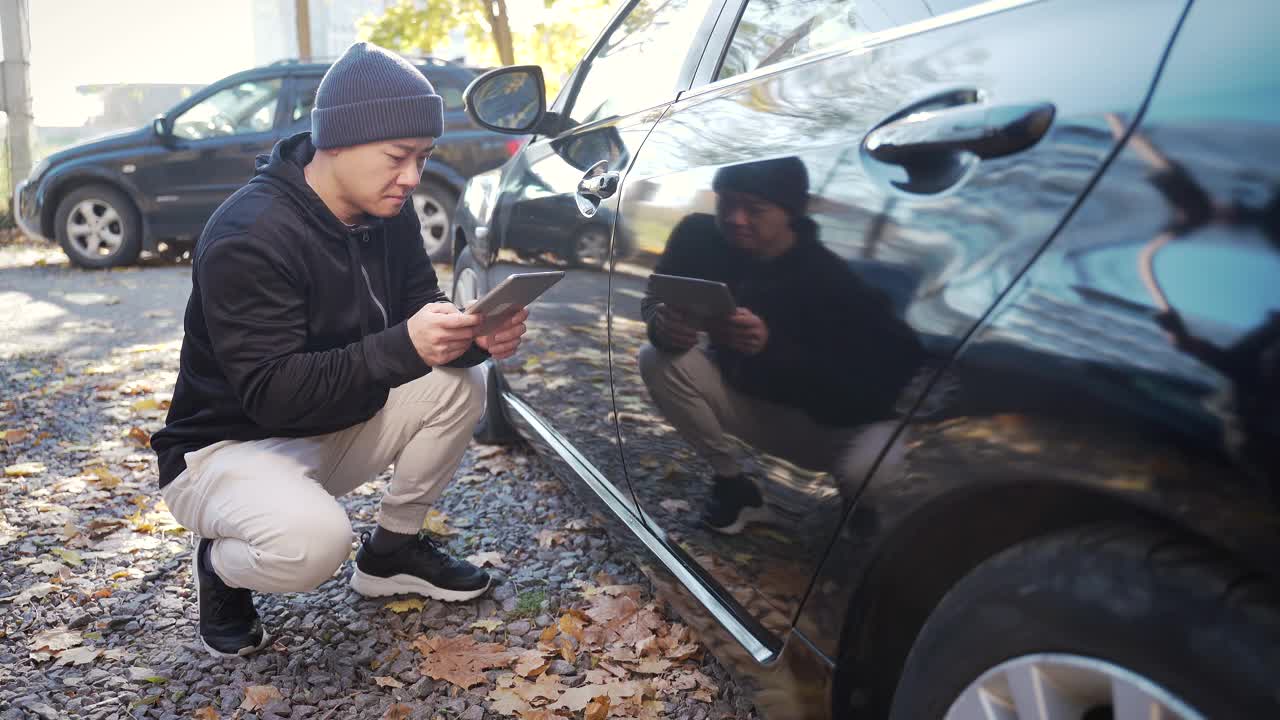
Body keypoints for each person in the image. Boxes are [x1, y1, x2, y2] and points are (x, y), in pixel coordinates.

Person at [150, 43, 529, 658]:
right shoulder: (249, 234)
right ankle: (223, 568)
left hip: (328, 424)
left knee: (463, 385)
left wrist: (470, 338)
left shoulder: (389, 210)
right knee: (311, 547)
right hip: (224, 450)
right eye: (397, 156)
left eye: (423, 158)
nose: (412, 176)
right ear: (337, 141)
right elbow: (272, 395)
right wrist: (404, 346)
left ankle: (391, 552)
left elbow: (416, 311)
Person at [639, 157, 923, 534]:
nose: (736, 219)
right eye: (727, 203)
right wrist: (662, 324)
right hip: (751, 402)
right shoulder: (698, 237)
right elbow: (655, 298)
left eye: (754, 209)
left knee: (873, 472)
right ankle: (734, 485)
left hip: (836, 426)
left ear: (791, 212)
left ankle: (861, 511)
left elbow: (871, 388)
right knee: (657, 358)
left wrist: (771, 348)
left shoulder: (831, 277)